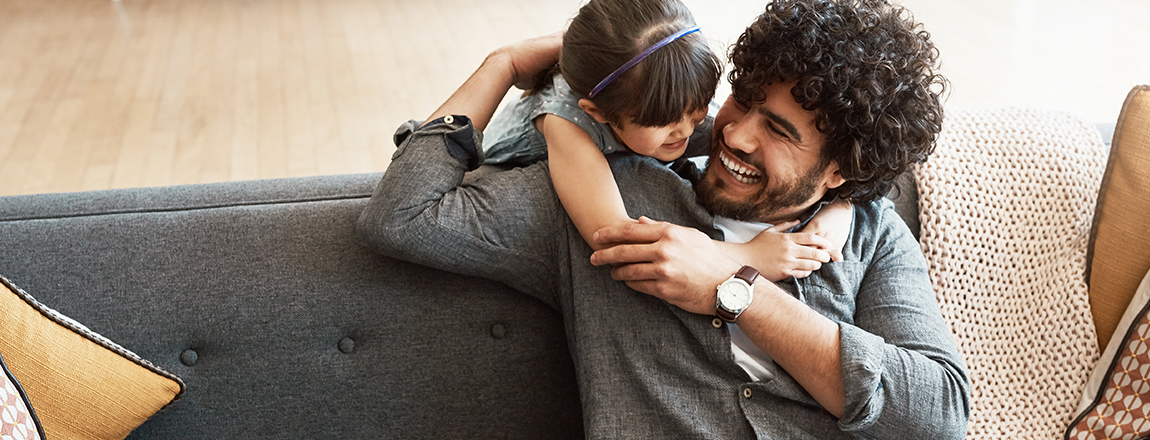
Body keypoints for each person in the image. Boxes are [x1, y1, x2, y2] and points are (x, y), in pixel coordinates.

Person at [359, 0, 970, 437]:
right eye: (744, 100)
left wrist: (735, 291)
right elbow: (403, 216)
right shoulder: (602, 198)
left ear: (840, 171)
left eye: (778, 130)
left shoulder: (867, 230)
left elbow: (937, 414)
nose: (735, 133)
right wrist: (502, 66)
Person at [483, 0, 852, 281]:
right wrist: (748, 256)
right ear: (598, 113)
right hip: (495, 167)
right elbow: (613, 239)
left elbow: (840, 160)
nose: (687, 131)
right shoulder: (569, 126)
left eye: (696, 111)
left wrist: (841, 207)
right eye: (666, 124)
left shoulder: (665, 103)